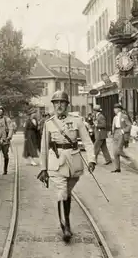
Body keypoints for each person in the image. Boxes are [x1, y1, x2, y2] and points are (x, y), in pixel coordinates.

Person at [37, 91, 96, 243]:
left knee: (67, 193)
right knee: (61, 193)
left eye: (62, 103)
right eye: (56, 103)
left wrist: (92, 160)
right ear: (53, 105)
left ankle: (66, 219)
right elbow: (44, 148)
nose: (59, 106)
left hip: (74, 162)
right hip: (56, 162)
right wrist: (43, 168)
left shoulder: (77, 121)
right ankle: (66, 227)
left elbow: (88, 142)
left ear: (67, 105)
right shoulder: (49, 123)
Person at [0, 105, 14, 178]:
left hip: (5, 141)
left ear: (3, 111)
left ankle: (5, 170)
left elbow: (11, 128)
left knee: (5, 155)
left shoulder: (7, 119)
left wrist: (9, 137)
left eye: (0, 110)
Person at [111, 103, 131, 173]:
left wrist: (123, 131)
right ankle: (117, 168)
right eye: (114, 108)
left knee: (119, 149)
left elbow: (129, 125)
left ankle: (129, 158)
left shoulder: (124, 116)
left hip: (121, 132)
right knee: (115, 152)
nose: (114, 110)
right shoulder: (114, 117)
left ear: (119, 109)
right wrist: (112, 133)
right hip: (115, 133)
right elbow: (113, 126)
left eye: (115, 108)